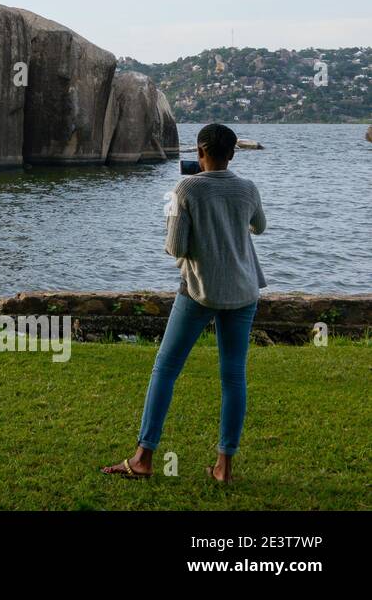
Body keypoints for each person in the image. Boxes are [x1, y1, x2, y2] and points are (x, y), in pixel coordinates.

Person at [103, 123, 267, 483]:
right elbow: (260, 227)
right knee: (233, 376)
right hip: (243, 290)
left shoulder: (186, 187)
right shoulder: (247, 188)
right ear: (233, 153)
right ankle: (224, 468)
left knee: (166, 368)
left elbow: (175, 247)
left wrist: (178, 218)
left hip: (198, 289)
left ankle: (143, 458)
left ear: (199, 152)